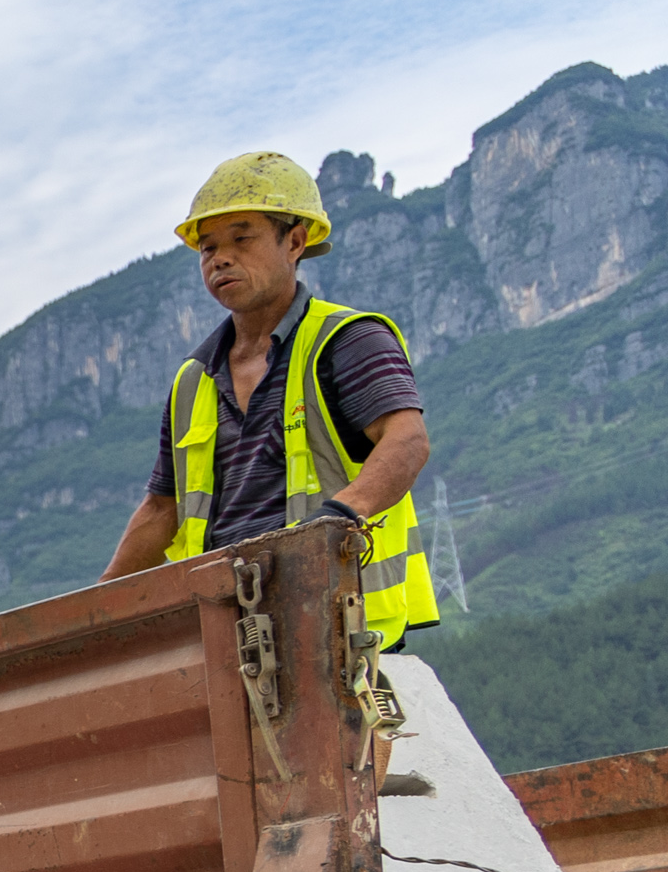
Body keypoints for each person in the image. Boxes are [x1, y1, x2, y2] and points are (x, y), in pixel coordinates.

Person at [96, 151, 440, 648]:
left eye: (242, 237)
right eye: (208, 247)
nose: (220, 258)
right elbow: (160, 509)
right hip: (224, 629)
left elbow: (406, 440)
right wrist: (98, 605)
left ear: (295, 241)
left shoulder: (345, 340)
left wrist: (339, 518)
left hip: (337, 624)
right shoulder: (193, 380)